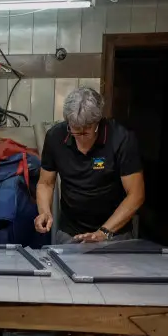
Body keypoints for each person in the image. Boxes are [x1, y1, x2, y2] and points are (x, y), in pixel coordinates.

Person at [34, 87, 145, 244]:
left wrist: (103, 232)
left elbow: (135, 194)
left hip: (114, 234)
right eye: (75, 131)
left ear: (98, 122)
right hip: (69, 233)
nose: (80, 137)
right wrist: (44, 212)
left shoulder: (121, 139)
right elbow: (45, 183)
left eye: (86, 132)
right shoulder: (55, 137)